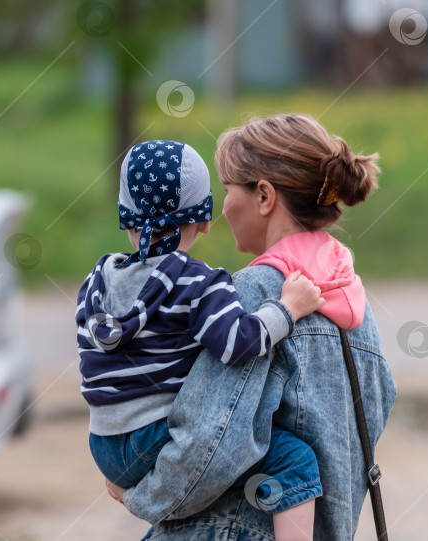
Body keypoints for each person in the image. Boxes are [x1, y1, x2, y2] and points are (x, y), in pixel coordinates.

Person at [107, 114, 398, 541]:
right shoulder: (356, 307)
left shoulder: (248, 298)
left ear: (264, 196)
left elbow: (208, 442)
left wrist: (138, 493)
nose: (221, 209)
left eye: (226, 189)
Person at [77, 139, 327, 540]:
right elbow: (239, 343)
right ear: (205, 220)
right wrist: (288, 309)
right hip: (155, 439)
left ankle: (140, 494)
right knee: (296, 460)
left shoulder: (96, 284)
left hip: (104, 447)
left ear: (126, 220)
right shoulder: (199, 283)